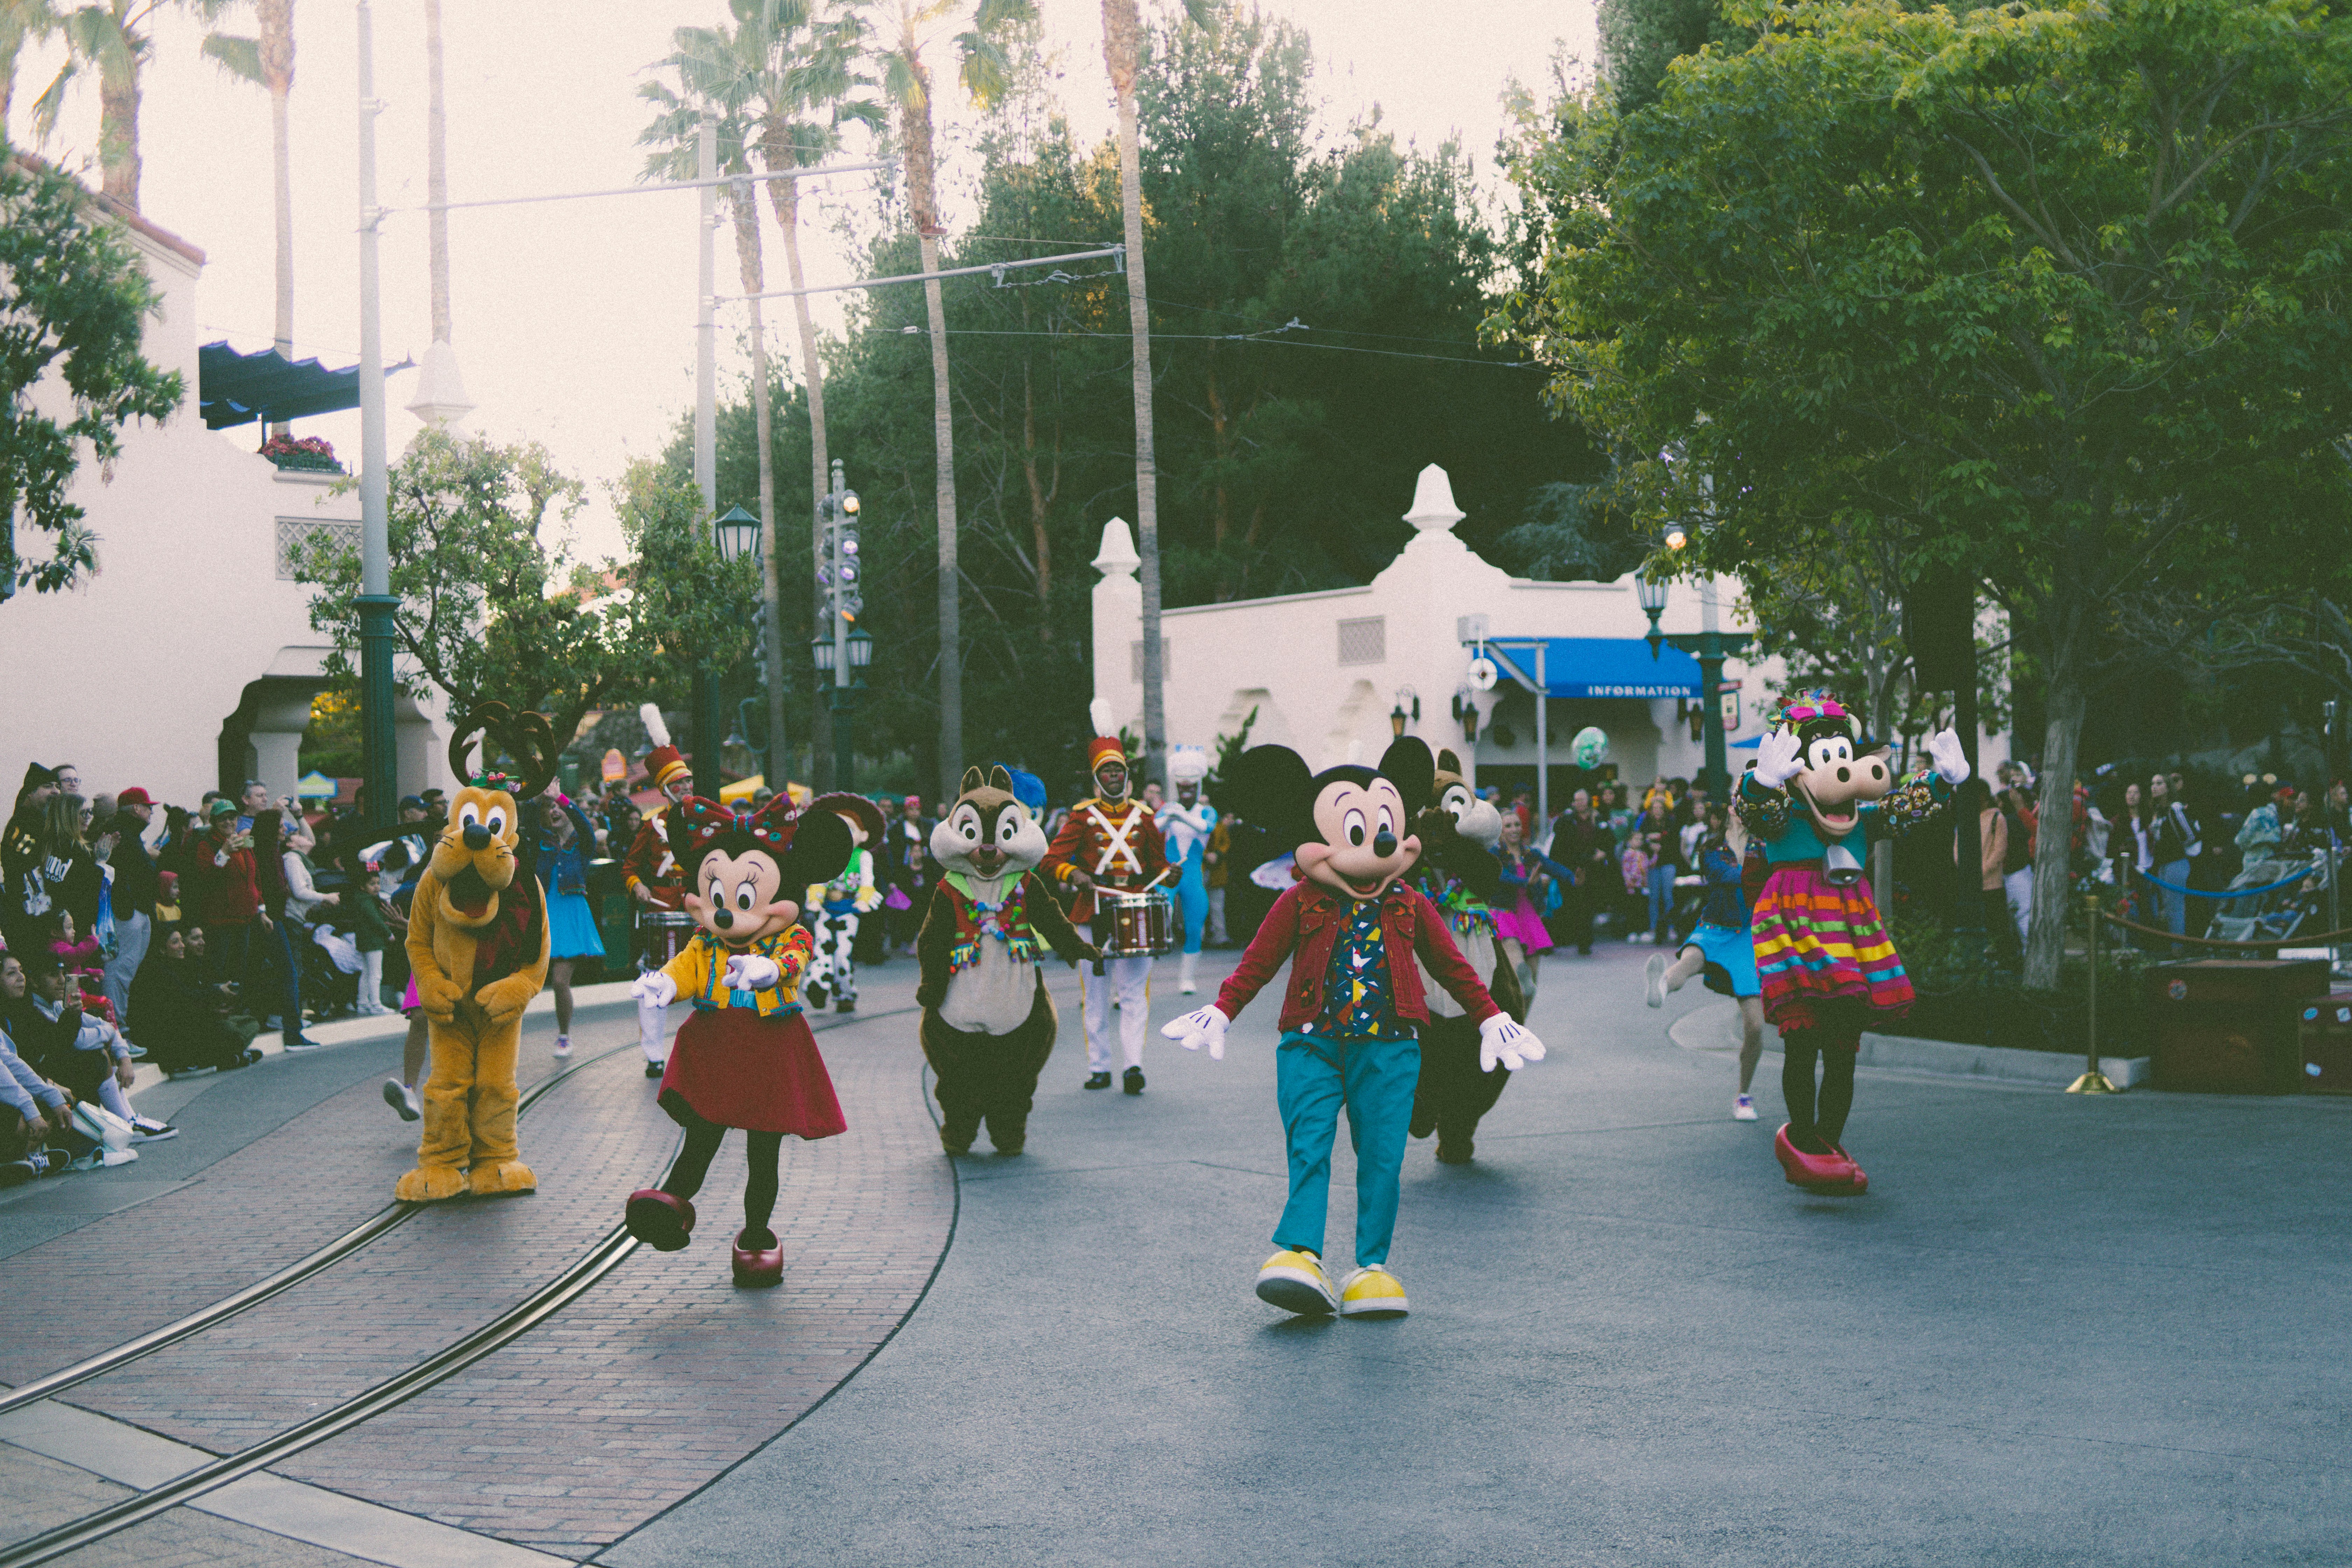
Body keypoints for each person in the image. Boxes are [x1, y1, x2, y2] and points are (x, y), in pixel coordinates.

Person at [1041, 712, 1169, 1093]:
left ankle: (1133, 1066)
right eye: (1107, 772)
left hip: (1135, 911)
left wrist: (1170, 873)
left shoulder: (1145, 818)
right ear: (1097, 779)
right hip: (1092, 911)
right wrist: (1073, 875)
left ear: (1127, 777)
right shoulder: (1082, 817)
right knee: (1095, 996)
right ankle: (1099, 1067)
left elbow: (1158, 865)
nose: (1114, 777)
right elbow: (1050, 861)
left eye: (1119, 771)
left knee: (1133, 995)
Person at [1646, 804, 1767, 1120]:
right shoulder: (1712, 848)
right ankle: (1660, 987)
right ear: (1730, 811)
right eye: (1741, 806)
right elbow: (1727, 877)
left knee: (1755, 1026)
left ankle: (1743, 1096)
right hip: (1714, 928)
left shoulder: (1765, 845)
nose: (1745, 812)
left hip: (1747, 938)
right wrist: (1756, 869)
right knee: (1689, 961)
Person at [623, 707, 699, 1077]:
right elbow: (629, 867)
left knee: (709, 979)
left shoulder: (707, 821)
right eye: (679, 785)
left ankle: (708, 1049)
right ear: (668, 789)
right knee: (655, 979)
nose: (686, 789)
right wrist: (637, 886)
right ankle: (654, 1054)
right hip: (661, 911)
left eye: (689, 783)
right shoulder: (653, 826)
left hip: (700, 912)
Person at [130, 925, 262, 1077]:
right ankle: (224, 1057)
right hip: (174, 1034)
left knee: (250, 1023)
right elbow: (185, 1002)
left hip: (194, 1022)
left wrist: (214, 1009)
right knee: (229, 1033)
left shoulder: (183, 965)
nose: (182, 946)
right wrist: (217, 993)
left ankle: (230, 1055)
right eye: (176, 942)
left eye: (181, 941)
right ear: (162, 949)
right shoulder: (158, 972)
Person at [536, 793, 604, 1057]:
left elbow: (585, 825)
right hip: (544, 915)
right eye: (551, 808)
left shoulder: (583, 843)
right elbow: (531, 821)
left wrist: (562, 799)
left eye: (559, 809)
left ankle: (564, 1036)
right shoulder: (543, 842)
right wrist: (540, 797)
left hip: (571, 915)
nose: (554, 811)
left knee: (559, 981)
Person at [1156, 746, 1219, 994]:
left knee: (1195, 925)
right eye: (1182, 788)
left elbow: (1206, 828)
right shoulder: (1168, 809)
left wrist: (1180, 817)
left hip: (1193, 873)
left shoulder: (1206, 811)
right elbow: (1153, 828)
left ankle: (1187, 978)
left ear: (1198, 788)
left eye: (1191, 788)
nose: (1186, 792)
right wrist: (1169, 816)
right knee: (1161, 914)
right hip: (1169, 872)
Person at [101, 787, 162, 1030]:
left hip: (135, 909)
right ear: (136, 809)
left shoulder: (130, 832)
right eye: (148, 808)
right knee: (119, 971)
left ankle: (121, 1028)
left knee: (126, 971)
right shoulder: (122, 832)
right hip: (126, 910)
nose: (151, 813)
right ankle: (119, 1031)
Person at [1491, 812, 1564, 1002]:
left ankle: (1522, 1022)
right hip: (1504, 912)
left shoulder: (1532, 854)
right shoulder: (1494, 854)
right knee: (1516, 958)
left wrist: (1574, 878)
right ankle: (1518, 979)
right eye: (1508, 826)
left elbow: (1553, 867)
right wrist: (1525, 882)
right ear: (1501, 831)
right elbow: (1501, 876)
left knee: (1531, 985)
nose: (1514, 829)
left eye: (1517, 825)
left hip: (1530, 916)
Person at [1547, 788, 1613, 955]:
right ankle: (1566, 938)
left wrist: (1604, 853)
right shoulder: (1566, 821)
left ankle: (1585, 943)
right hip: (1571, 870)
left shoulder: (1598, 819)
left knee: (1588, 906)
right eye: (1577, 800)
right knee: (1570, 905)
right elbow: (1557, 848)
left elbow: (1610, 841)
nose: (1580, 803)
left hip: (1592, 869)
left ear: (1589, 801)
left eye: (1583, 800)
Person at [885, 796, 936, 955]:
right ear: (906, 812)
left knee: (923, 905)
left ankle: (920, 939)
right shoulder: (898, 828)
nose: (914, 813)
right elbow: (893, 853)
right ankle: (902, 939)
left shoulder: (926, 826)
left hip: (922, 869)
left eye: (917, 810)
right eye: (911, 810)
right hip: (904, 872)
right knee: (905, 906)